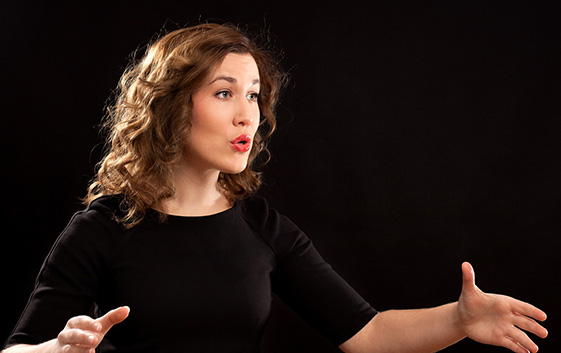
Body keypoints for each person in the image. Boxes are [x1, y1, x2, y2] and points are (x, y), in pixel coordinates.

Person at [3, 22, 548, 353]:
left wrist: (457, 319)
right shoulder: (103, 228)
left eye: (255, 95)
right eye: (224, 93)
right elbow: (20, 350)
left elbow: (368, 333)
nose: (248, 115)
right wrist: (58, 346)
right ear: (170, 105)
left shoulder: (261, 227)